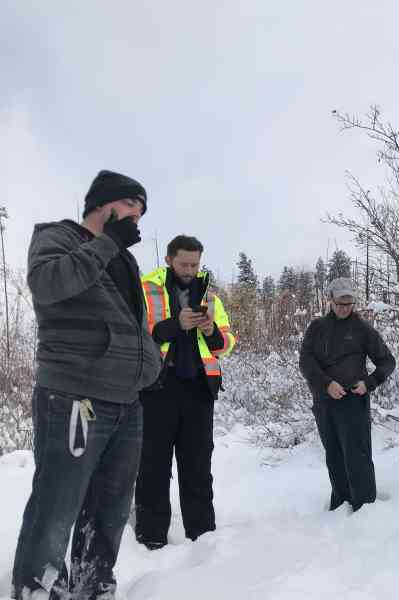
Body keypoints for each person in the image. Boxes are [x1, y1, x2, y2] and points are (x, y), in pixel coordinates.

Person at [12, 170, 162, 599]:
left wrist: (149, 367)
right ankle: (37, 588)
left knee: (110, 509)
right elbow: (49, 284)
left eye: (142, 211)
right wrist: (107, 242)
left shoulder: (125, 260)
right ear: (104, 203)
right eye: (132, 206)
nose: (138, 218)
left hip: (125, 403)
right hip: (74, 396)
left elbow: (134, 326)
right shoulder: (57, 238)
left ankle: (93, 586)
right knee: (57, 504)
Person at [134, 235, 236, 549]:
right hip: (156, 390)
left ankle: (203, 537)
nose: (190, 270)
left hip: (199, 392)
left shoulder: (211, 297)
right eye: (184, 264)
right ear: (169, 260)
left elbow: (226, 345)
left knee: (198, 466)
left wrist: (210, 330)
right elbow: (136, 336)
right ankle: (151, 538)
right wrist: (175, 324)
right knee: (152, 467)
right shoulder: (145, 289)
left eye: (195, 264)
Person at [299, 278, 396, 512]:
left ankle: (364, 508)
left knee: (358, 457)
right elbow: (306, 363)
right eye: (340, 303)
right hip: (325, 403)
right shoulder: (317, 328)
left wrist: (369, 383)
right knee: (334, 456)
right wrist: (326, 384)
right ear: (330, 300)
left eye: (349, 303)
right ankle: (340, 505)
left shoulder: (363, 330)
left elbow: (387, 362)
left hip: (354, 403)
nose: (344, 308)